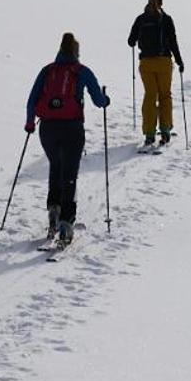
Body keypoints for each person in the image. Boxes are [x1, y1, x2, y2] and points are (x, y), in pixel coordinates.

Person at [24, 32, 111, 245]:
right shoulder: (81, 71)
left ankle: (54, 209)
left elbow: (32, 99)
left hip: (48, 129)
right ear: (76, 52)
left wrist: (29, 123)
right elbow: (99, 101)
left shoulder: (47, 71)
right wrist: (105, 99)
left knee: (56, 164)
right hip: (72, 128)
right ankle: (66, 222)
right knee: (70, 173)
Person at [127, 0, 182, 147]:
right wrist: (179, 60)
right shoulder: (166, 19)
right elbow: (173, 41)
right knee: (165, 95)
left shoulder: (141, 19)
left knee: (150, 96)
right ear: (161, 2)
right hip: (164, 61)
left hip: (146, 63)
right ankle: (165, 130)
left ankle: (149, 133)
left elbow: (131, 41)